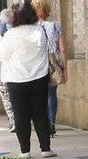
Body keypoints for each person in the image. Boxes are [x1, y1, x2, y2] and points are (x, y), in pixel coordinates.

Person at [0, 0, 53, 158]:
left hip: (16, 80)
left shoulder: (11, 34)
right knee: (40, 114)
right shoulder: (39, 31)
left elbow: (1, 55)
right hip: (39, 78)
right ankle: (45, 148)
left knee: (21, 115)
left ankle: (25, 150)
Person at [32, 0, 65, 135]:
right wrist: (65, 68)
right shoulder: (55, 26)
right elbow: (62, 49)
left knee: (41, 95)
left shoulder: (31, 28)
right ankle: (52, 122)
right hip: (53, 63)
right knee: (52, 94)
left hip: (38, 63)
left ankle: (45, 123)